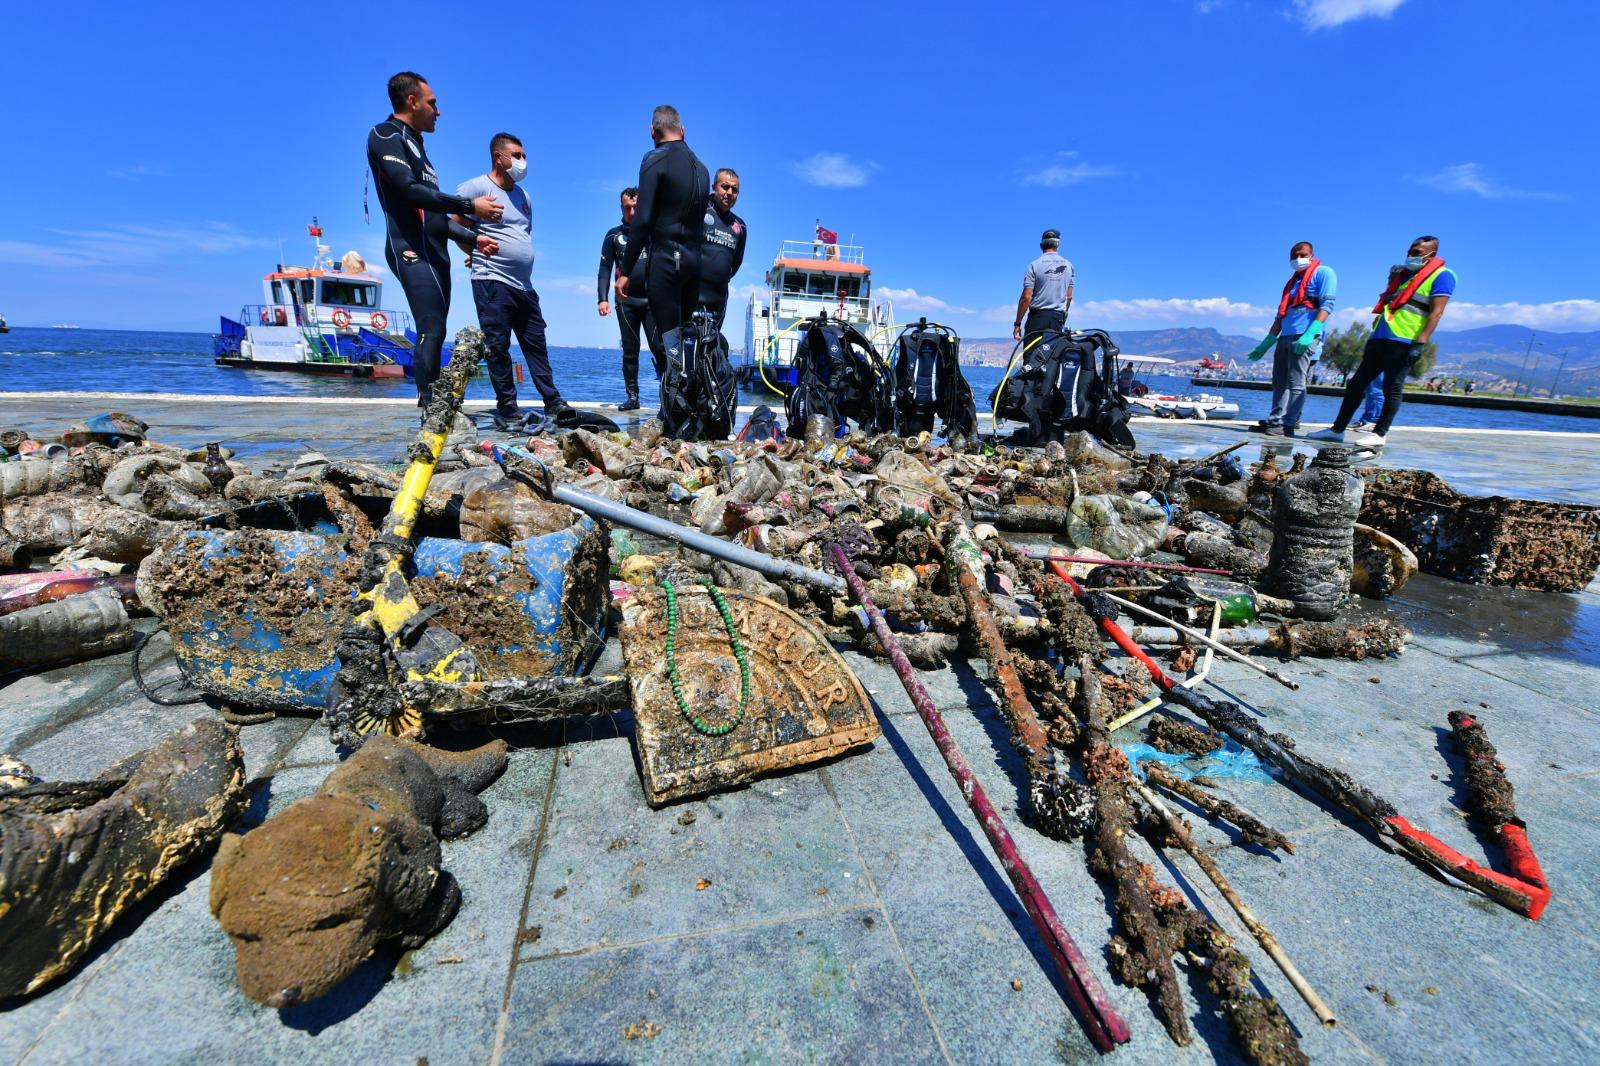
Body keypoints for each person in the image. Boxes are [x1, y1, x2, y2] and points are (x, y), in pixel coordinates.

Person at [366, 71, 504, 407]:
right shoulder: (385, 135)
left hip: (436, 251)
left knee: (438, 329)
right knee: (429, 327)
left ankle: (437, 409)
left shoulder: (420, 149)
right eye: (433, 103)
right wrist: (470, 205)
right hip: (410, 248)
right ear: (412, 101)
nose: (438, 111)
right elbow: (408, 192)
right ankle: (430, 412)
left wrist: (473, 239)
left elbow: (435, 217)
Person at [454, 133, 572, 427]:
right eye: (516, 155)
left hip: (524, 286)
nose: (522, 161)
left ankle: (553, 401)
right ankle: (507, 405)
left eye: (523, 155)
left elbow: (521, 235)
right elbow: (454, 223)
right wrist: (474, 248)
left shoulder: (524, 196)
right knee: (498, 345)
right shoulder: (475, 187)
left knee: (536, 343)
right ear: (499, 157)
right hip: (491, 279)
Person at [1311, 236, 1456, 447]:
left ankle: (1379, 434)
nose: (1411, 256)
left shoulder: (1443, 276)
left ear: (1431, 255)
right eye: (1410, 251)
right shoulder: (1403, 276)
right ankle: (1337, 430)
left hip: (1405, 339)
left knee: (1392, 387)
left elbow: (1437, 312)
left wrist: (1420, 343)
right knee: (1356, 384)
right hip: (1380, 337)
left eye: (1417, 252)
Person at [616, 105, 710, 344]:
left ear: (652, 131)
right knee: (687, 345)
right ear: (683, 130)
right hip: (693, 266)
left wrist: (625, 271)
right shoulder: (702, 169)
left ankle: (673, 381)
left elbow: (643, 219)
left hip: (667, 263)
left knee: (668, 348)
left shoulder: (655, 158)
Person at [1244, 241, 1337, 437]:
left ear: (1312, 255)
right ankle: (1275, 420)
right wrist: (1266, 344)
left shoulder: (1324, 273)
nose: (1298, 259)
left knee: (1296, 382)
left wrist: (1311, 333)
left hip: (1304, 336)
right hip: (1285, 336)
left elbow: (1327, 305)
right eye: (1294, 256)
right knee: (1279, 382)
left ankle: (1289, 423)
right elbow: (1281, 315)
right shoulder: (1293, 282)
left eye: (1302, 254)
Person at [598, 188, 660, 410]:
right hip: (627, 302)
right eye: (627, 207)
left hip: (653, 301)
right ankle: (632, 396)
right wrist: (602, 299)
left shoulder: (655, 233)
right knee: (630, 349)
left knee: (659, 348)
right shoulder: (613, 236)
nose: (632, 212)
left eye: (636, 207)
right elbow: (605, 268)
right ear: (621, 208)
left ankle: (667, 396)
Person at [699, 168, 747, 334]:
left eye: (734, 190)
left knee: (711, 349)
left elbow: (736, 263)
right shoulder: (698, 209)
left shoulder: (739, 226)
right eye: (725, 187)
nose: (729, 193)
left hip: (718, 297)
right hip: (690, 292)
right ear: (714, 187)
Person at [1012, 230, 1075, 341]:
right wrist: (1063, 317)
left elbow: (1026, 297)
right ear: (1058, 245)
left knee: (1032, 355)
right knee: (1053, 355)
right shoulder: (1069, 266)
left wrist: (1017, 324)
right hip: (1057, 318)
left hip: (1037, 318)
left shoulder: (1034, 265)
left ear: (1041, 245)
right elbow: (1069, 297)